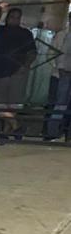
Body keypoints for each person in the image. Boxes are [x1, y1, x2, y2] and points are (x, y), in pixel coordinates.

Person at [0, 3, 37, 141]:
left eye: (17, 17)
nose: (14, 19)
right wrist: (0, 12)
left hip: (17, 72)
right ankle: (17, 126)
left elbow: (32, 52)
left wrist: (25, 66)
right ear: (7, 17)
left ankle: (5, 133)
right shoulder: (1, 30)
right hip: (0, 71)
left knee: (13, 104)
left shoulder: (25, 33)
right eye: (12, 16)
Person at [46, 13, 71, 141]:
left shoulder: (63, 34)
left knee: (60, 104)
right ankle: (53, 132)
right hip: (64, 73)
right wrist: (60, 68)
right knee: (60, 104)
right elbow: (59, 54)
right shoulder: (64, 35)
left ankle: (55, 132)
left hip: (63, 72)